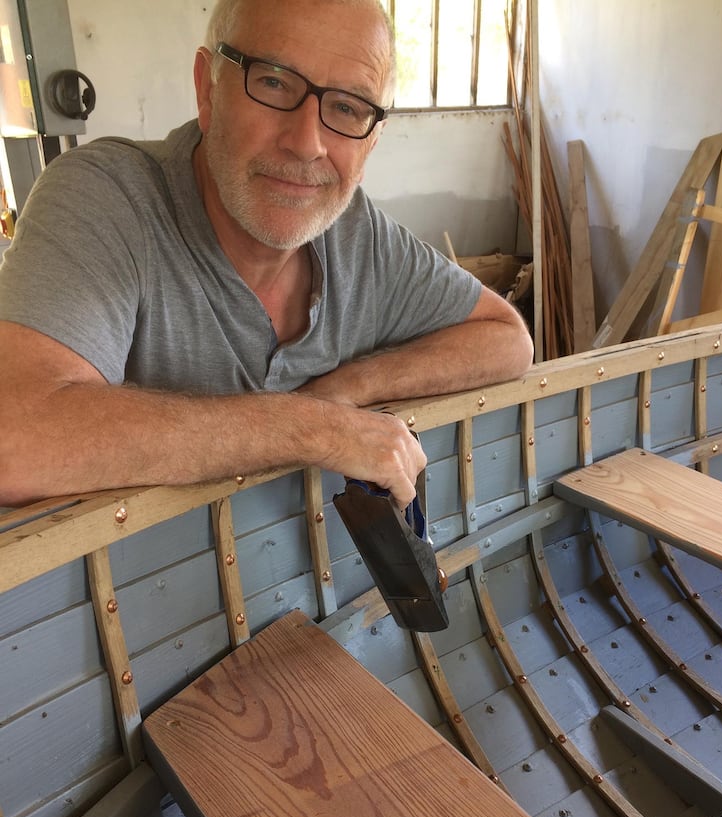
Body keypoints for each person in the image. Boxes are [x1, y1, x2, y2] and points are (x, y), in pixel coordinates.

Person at [0, 0, 533, 509]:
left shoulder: (358, 237)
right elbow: (15, 440)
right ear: (207, 91)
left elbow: (507, 340)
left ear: (370, 143)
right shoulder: (107, 200)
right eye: (273, 82)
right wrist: (313, 427)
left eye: (347, 107)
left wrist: (351, 386)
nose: (306, 143)